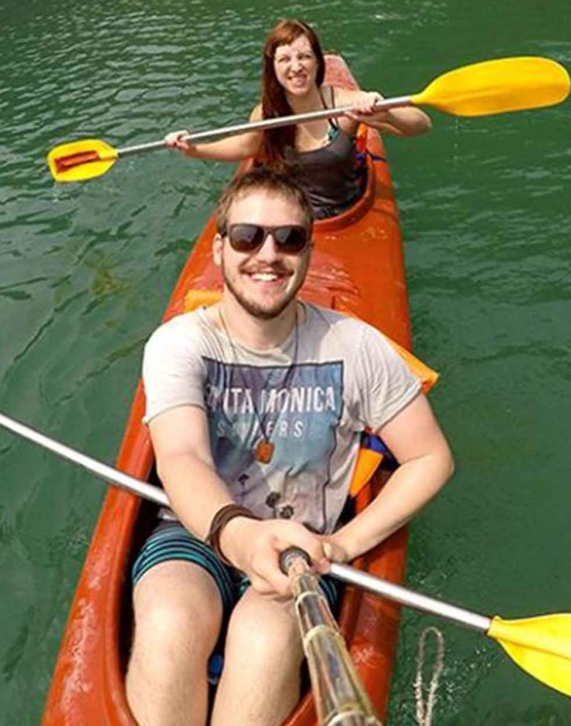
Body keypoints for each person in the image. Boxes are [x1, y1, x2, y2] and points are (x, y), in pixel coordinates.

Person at [126, 166, 453, 726]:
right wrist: (240, 536)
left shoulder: (356, 346)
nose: (268, 254)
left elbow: (430, 458)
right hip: (194, 532)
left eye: (289, 238)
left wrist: (343, 544)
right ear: (220, 247)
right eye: (248, 236)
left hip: (304, 548)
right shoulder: (180, 344)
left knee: (266, 639)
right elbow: (182, 458)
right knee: (168, 621)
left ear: (309, 250)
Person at [164, 19, 432, 219]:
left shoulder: (341, 104)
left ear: (317, 63)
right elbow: (246, 146)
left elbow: (421, 125)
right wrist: (194, 148)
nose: (296, 67)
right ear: (273, 68)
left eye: (305, 57)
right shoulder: (266, 113)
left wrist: (386, 113)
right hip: (288, 215)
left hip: (342, 214)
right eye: (285, 59)